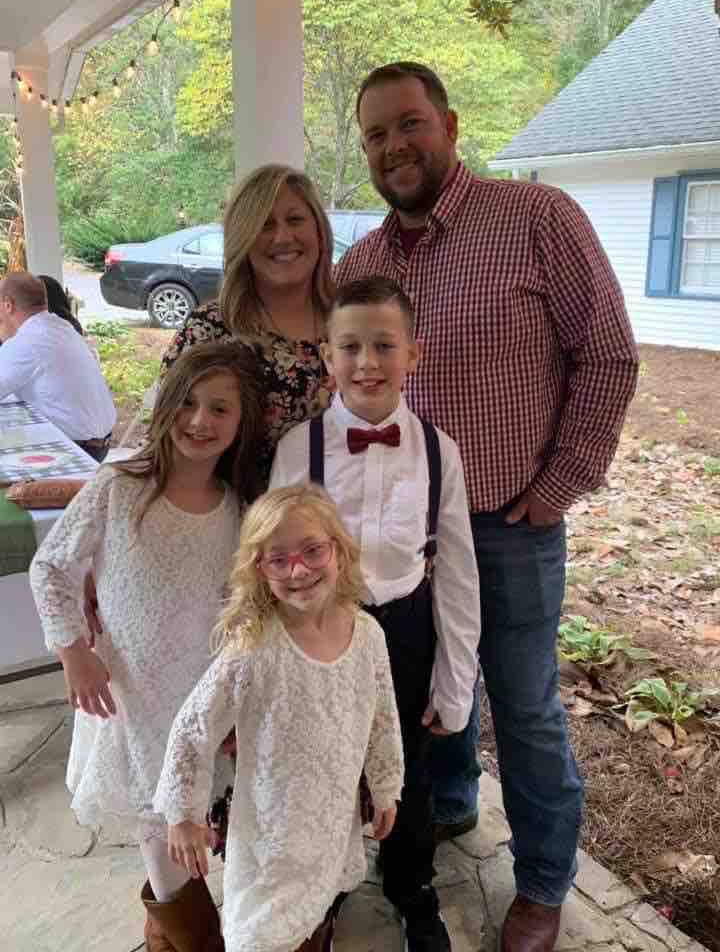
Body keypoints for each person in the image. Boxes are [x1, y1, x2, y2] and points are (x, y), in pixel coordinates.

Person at [336, 63, 639, 952]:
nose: (394, 146)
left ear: (451, 126)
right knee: (428, 686)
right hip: (402, 535)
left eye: (409, 124)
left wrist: (557, 487)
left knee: (525, 707)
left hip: (509, 521)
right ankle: (453, 803)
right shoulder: (362, 262)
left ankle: (543, 882)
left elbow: (608, 355)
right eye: (376, 135)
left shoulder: (536, 218)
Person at [29, 341, 266, 952]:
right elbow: (51, 566)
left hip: (197, 695)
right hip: (130, 696)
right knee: (156, 826)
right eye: (188, 403)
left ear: (240, 424)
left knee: (186, 822)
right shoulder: (120, 486)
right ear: (165, 405)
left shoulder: (237, 510)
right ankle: (196, 938)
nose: (200, 420)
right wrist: (73, 651)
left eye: (220, 409)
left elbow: (239, 607)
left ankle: (168, 930)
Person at [269, 276, 481, 952]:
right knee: (323, 763)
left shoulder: (439, 452)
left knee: (409, 770)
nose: (367, 363)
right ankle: (320, 893)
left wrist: (455, 683)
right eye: (350, 347)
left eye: (384, 346)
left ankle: (412, 888)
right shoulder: (298, 449)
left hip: (406, 629)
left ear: (413, 355)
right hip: (322, 627)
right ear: (327, 357)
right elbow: (270, 561)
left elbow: (458, 574)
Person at [154, 483, 404, 952]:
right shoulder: (254, 648)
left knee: (319, 906)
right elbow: (192, 727)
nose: (299, 570)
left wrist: (386, 784)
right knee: (259, 934)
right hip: (271, 832)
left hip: (331, 817)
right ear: (259, 569)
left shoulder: (368, 635)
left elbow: (383, 717)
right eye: (279, 559)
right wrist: (182, 814)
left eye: (313, 550)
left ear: (339, 550)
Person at [159, 163, 336, 485]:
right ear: (243, 237)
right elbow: (166, 443)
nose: (282, 237)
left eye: (295, 220)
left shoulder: (352, 325)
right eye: (264, 225)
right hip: (239, 515)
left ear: (320, 231)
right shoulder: (209, 330)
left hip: (349, 513)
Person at [0, 272, 115, 461]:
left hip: (75, 449)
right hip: (100, 443)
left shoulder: (29, 340)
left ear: (8, 305)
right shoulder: (61, 326)